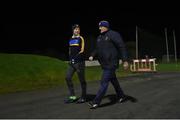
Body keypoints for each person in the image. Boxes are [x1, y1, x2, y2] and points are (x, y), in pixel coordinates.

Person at [88, 20, 129, 109]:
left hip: (111, 63)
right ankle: (121, 96)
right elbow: (97, 49)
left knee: (104, 82)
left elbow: (121, 47)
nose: (99, 28)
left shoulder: (114, 34)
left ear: (105, 26)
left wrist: (125, 60)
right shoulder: (99, 37)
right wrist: (92, 55)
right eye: (99, 26)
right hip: (104, 64)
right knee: (113, 80)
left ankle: (96, 102)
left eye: (100, 26)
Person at [64, 24, 87, 104]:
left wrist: (75, 59)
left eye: (78, 29)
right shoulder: (70, 39)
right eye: (75, 29)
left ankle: (83, 97)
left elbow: (82, 50)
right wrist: (70, 59)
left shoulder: (81, 38)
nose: (77, 30)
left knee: (82, 80)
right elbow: (70, 51)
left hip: (79, 62)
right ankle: (73, 96)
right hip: (71, 63)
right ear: (73, 30)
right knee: (67, 77)